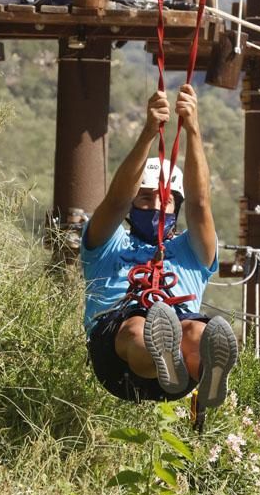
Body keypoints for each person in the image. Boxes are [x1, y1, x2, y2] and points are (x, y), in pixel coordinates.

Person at [82, 83, 238, 406]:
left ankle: (199, 371)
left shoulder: (190, 252)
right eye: (146, 197)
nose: (155, 205)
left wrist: (193, 130)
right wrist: (148, 133)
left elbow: (200, 203)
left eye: (165, 200)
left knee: (198, 334)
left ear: (175, 208)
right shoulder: (108, 244)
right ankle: (163, 356)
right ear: (132, 204)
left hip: (177, 362)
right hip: (115, 360)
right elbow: (114, 201)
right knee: (138, 328)